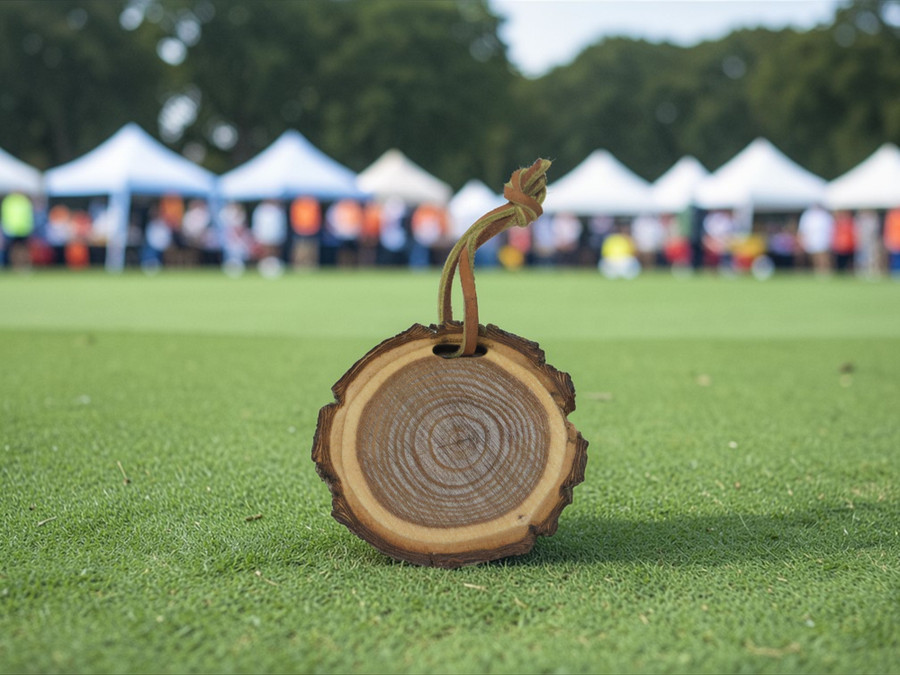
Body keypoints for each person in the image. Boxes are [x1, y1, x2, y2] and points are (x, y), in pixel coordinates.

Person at [797, 203, 834, 275]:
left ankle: (826, 271)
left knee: (824, 256)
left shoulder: (825, 215)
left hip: (823, 238)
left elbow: (831, 228)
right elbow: (803, 228)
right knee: (815, 256)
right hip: (812, 238)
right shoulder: (807, 215)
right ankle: (818, 270)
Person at [1, 192, 35, 269]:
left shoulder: (11, 201)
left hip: (22, 229)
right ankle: (16, 266)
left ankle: (23, 265)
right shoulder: (12, 201)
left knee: (22, 249)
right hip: (14, 229)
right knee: (15, 249)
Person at [854, 209, 881, 278]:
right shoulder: (859, 219)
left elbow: (875, 231)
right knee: (861, 258)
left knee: (872, 257)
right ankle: (861, 271)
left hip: (871, 240)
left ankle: (872, 272)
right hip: (861, 241)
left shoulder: (873, 219)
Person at [884, 207, 900, 277]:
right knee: (895, 258)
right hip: (895, 241)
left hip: (895, 240)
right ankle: (895, 272)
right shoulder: (892, 216)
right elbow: (888, 229)